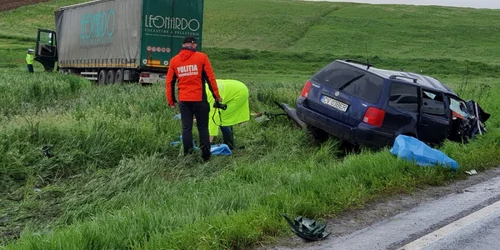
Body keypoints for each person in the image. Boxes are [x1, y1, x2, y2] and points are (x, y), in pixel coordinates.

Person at [166, 36, 222, 161]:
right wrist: (216, 96)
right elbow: (210, 78)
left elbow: (170, 82)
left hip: (184, 100)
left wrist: (171, 100)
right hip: (199, 99)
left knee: (186, 128)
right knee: (203, 128)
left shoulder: (174, 61)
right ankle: (206, 156)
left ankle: (188, 155)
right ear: (193, 44)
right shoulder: (201, 57)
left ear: (183, 45)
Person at [206, 79, 250, 150]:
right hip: (237, 87)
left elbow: (213, 118)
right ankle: (228, 143)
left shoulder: (210, 96)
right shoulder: (204, 89)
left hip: (240, 93)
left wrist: (208, 142)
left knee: (222, 118)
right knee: (224, 116)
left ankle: (229, 145)